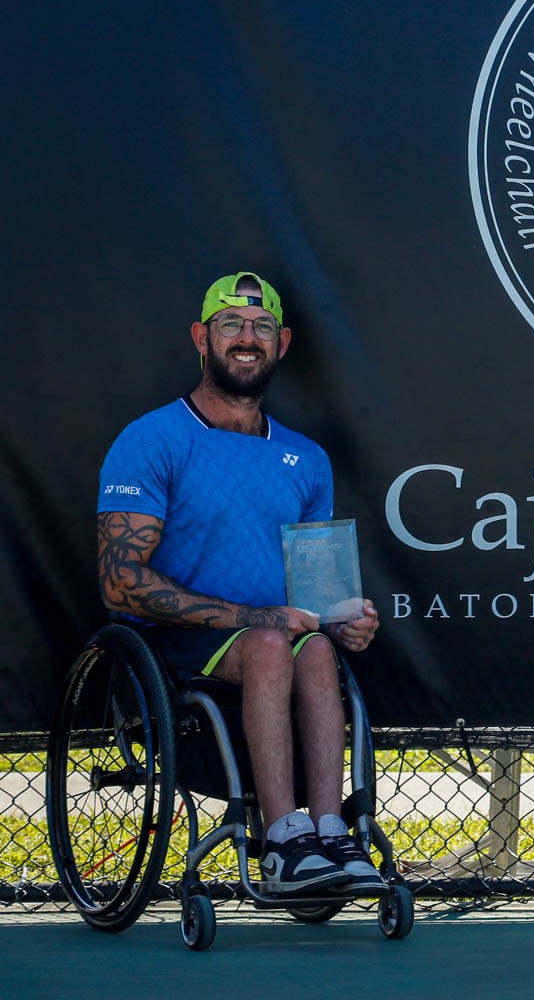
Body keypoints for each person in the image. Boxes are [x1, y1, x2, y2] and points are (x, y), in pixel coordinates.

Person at [95, 271, 385, 897]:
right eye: (231, 324)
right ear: (203, 337)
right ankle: (283, 840)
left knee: (316, 648)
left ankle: (331, 832)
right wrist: (253, 620)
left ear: (282, 343)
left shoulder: (306, 458)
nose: (246, 338)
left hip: (276, 638)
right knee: (274, 643)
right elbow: (120, 586)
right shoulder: (151, 440)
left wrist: (343, 618)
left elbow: (314, 593)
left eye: (261, 327)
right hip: (174, 645)